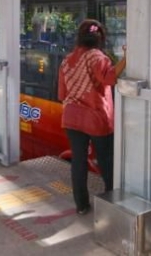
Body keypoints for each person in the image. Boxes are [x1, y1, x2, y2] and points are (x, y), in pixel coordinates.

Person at [58, 19, 126, 215]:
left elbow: (62, 95)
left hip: (71, 118)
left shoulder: (67, 60)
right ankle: (112, 203)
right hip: (96, 118)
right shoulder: (98, 58)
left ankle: (81, 206)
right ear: (100, 38)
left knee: (78, 162)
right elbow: (110, 79)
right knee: (106, 161)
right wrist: (126, 58)